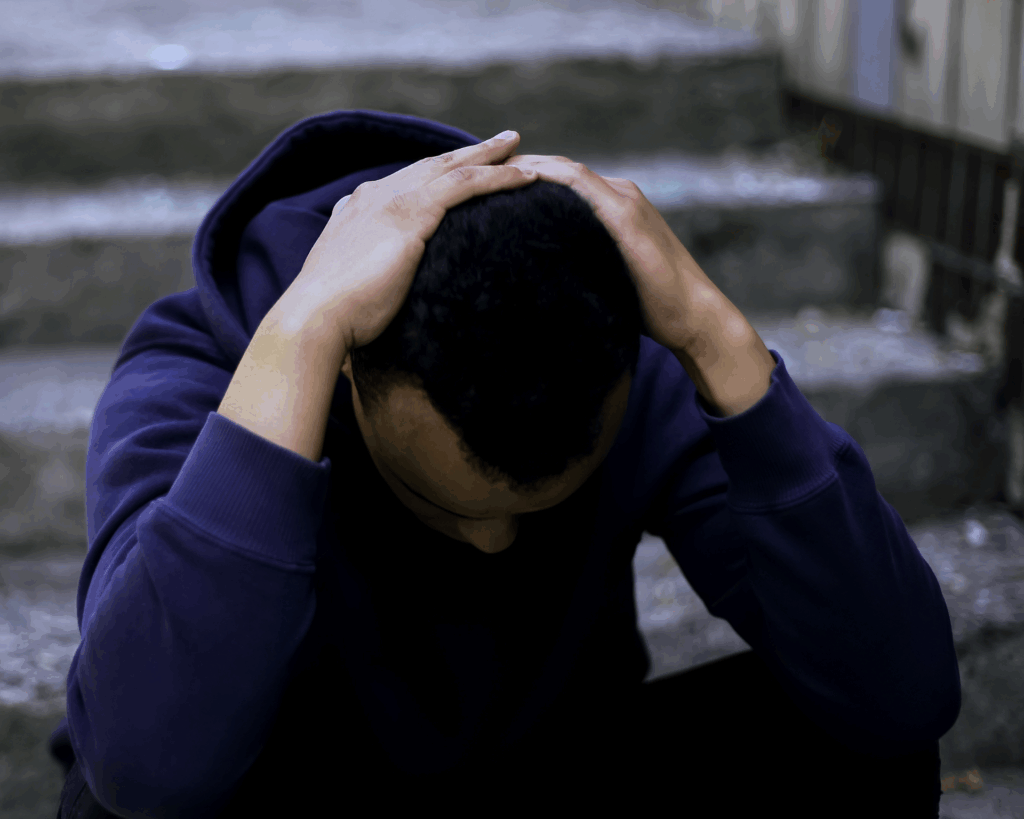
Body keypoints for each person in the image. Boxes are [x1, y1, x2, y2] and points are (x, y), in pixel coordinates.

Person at [50, 110, 957, 818]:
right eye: (438, 501)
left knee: (858, 726)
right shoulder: (203, 368)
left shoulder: (620, 355)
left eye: (536, 508)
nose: (490, 542)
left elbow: (904, 695)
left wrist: (712, 334)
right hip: (297, 791)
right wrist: (300, 335)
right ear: (354, 370)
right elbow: (142, 766)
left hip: (539, 773)